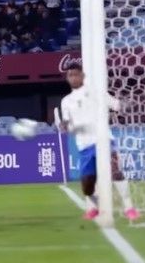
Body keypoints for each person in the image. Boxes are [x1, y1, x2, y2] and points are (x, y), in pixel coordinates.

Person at [58, 63, 139, 222]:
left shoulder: (97, 92)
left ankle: (129, 207)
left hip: (103, 139)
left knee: (115, 171)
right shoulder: (66, 101)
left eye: (76, 74)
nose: (73, 77)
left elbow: (117, 106)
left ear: (82, 75)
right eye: (70, 75)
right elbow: (67, 123)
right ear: (67, 78)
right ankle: (96, 206)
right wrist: (64, 126)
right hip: (84, 145)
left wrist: (132, 102)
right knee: (87, 185)